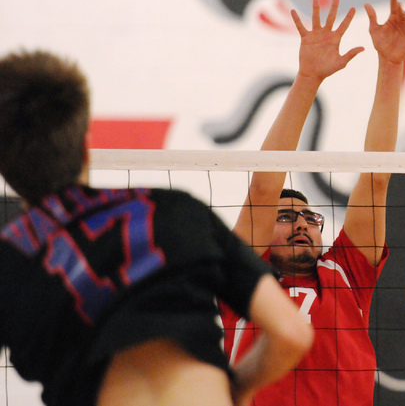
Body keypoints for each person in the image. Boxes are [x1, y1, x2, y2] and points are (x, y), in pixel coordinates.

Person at [0, 50, 313, 406]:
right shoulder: (176, 212)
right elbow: (292, 333)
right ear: (86, 146)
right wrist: (236, 390)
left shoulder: (9, 260)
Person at [221, 0, 405, 406]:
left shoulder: (346, 272)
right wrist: (308, 78)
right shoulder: (241, 280)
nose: (304, 224)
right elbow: (263, 187)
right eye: (287, 216)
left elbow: (375, 179)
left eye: (310, 217)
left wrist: (391, 66)